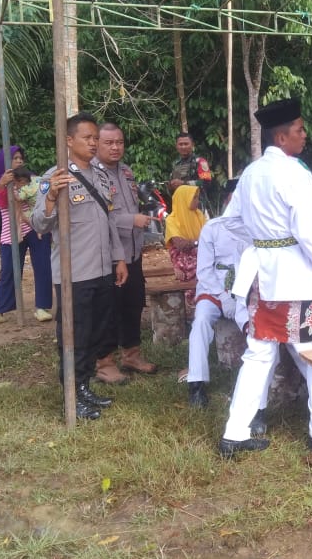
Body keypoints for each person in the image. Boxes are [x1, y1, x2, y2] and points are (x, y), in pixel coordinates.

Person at [217, 98, 312, 457]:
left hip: (264, 277)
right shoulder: (297, 174)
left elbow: (229, 221)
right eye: (299, 130)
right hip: (296, 279)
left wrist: (263, 240)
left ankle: (235, 433)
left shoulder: (251, 173)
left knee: (259, 354)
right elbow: (307, 233)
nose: (304, 136)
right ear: (281, 137)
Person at [31, 113, 128, 421]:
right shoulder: (55, 176)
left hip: (101, 270)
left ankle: (84, 386)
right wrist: (50, 198)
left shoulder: (100, 175)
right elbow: (38, 223)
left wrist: (119, 257)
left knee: (97, 334)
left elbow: (109, 221)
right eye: (88, 138)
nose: (93, 143)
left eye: (95, 137)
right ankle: (71, 395)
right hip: (74, 273)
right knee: (75, 336)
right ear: (69, 141)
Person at [93, 122, 158, 383]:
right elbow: (103, 215)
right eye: (109, 142)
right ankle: (104, 362)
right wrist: (132, 220)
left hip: (133, 252)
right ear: (96, 144)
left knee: (133, 304)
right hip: (107, 254)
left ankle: (131, 355)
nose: (115, 147)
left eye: (119, 142)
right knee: (109, 309)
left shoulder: (127, 172)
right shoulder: (93, 176)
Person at [183, 180, 249, 408]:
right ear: (227, 199)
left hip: (244, 292)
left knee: (255, 328)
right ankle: (196, 383)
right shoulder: (212, 228)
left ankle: (250, 384)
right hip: (213, 288)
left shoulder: (254, 227)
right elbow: (204, 270)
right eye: (235, 198)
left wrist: (238, 296)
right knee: (201, 321)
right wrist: (223, 296)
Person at [0, 147, 53, 326]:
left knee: (43, 266)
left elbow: (41, 196)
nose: (19, 161)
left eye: (21, 158)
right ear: (3, 162)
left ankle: (42, 307)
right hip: (11, 232)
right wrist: (2, 185)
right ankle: (1, 310)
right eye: (15, 158)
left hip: (35, 227)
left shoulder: (30, 178)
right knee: (8, 270)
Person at [164, 184, 207, 301]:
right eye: (194, 197)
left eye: (197, 197)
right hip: (184, 265)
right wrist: (198, 242)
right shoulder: (172, 220)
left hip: (202, 260)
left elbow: (210, 239)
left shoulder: (199, 215)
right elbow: (181, 245)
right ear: (184, 199)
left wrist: (195, 243)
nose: (197, 201)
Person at [167, 131, 213, 208]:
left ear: (192, 145)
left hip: (196, 205)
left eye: (186, 144)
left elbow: (206, 182)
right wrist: (170, 186)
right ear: (176, 146)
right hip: (180, 205)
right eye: (180, 144)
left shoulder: (200, 161)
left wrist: (183, 183)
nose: (183, 147)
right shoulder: (175, 164)